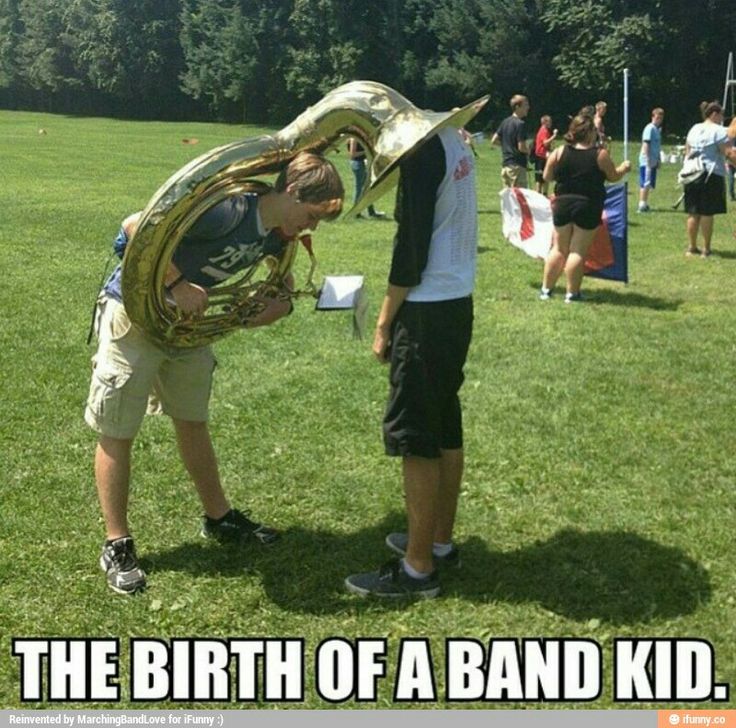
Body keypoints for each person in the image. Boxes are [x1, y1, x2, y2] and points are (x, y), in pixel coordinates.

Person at [85, 152, 344, 594]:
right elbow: (134, 227)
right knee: (118, 429)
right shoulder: (230, 208)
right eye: (312, 215)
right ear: (292, 193)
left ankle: (219, 518)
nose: (311, 227)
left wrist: (280, 304)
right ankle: (117, 542)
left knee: (193, 421)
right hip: (135, 316)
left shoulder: (277, 234)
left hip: (185, 330)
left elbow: (280, 282)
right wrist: (177, 284)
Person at [344, 125, 477, 598]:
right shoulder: (455, 141)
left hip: (425, 311)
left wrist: (383, 324)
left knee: (417, 433)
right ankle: (437, 541)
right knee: (444, 423)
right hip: (456, 302)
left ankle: (417, 569)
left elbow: (410, 250)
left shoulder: (420, 153)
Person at [539, 113, 631, 303]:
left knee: (558, 248)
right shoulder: (600, 154)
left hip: (562, 203)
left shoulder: (559, 151)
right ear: (590, 133)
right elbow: (613, 177)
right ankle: (572, 294)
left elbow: (547, 176)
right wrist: (624, 167)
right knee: (577, 251)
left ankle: (546, 290)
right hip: (587, 205)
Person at [683, 102, 736, 257]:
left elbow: (688, 150)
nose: (722, 119)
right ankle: (706, 249)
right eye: (721, 115)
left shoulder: (694, 128)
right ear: (714, 114)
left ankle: (692, 247)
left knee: (693, 212)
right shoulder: (718, 131)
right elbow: (727, 153)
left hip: (691, 173)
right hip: (710, 175)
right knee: (707, 213)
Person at [491, 94, 530, 188]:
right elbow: (521, 148)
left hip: (506, 166)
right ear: (517, 107)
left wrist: (507, 146)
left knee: (508, 198)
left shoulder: (505, 122)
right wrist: (529, 151)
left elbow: (494, 140)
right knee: (518, 198)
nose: (528, 108)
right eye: (525, 105)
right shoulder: (520, 124)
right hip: (517, 167)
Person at [347, 137, 385, 218]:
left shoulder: (360, 137)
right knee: (359, 188)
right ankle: (355, 212)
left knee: (367, 187)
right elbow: (352, 154)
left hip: (362, 163)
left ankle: (371, 211)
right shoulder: (354, 139)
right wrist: (366, 151)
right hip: (357, 164)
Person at [638, 107, 665, 212]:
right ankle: (641, 205)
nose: (659, 119)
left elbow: (657, 146)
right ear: (653, 117)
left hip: (653, 159)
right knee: (645, 182)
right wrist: (648, 158)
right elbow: (646, 144)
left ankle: (645, 203)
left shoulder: (657, 130)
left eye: (661, 118)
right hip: (647, 160)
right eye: (657, 117)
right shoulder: (649, 128)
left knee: (649, 183)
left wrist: (658, 159)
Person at [533, 115, 558, 195]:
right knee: (542, 177)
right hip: (541, 155)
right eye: (549, 121)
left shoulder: (545, 130)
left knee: (541, 177)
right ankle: (541, 194)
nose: (551, 123)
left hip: (541, 155)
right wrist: (554, 136)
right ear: (544, 122)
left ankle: (543, 193)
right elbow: (545, 143)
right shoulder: (544, 130)